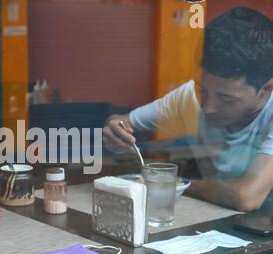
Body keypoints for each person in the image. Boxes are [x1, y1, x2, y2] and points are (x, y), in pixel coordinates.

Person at [103, 7, 273, 212]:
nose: (208, 108)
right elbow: (121, 121)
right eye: (202, 91)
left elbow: (245, 197)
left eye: (226, 99)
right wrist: (115, 130)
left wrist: (174, 184)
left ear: (266, 89)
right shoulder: (189, 97)